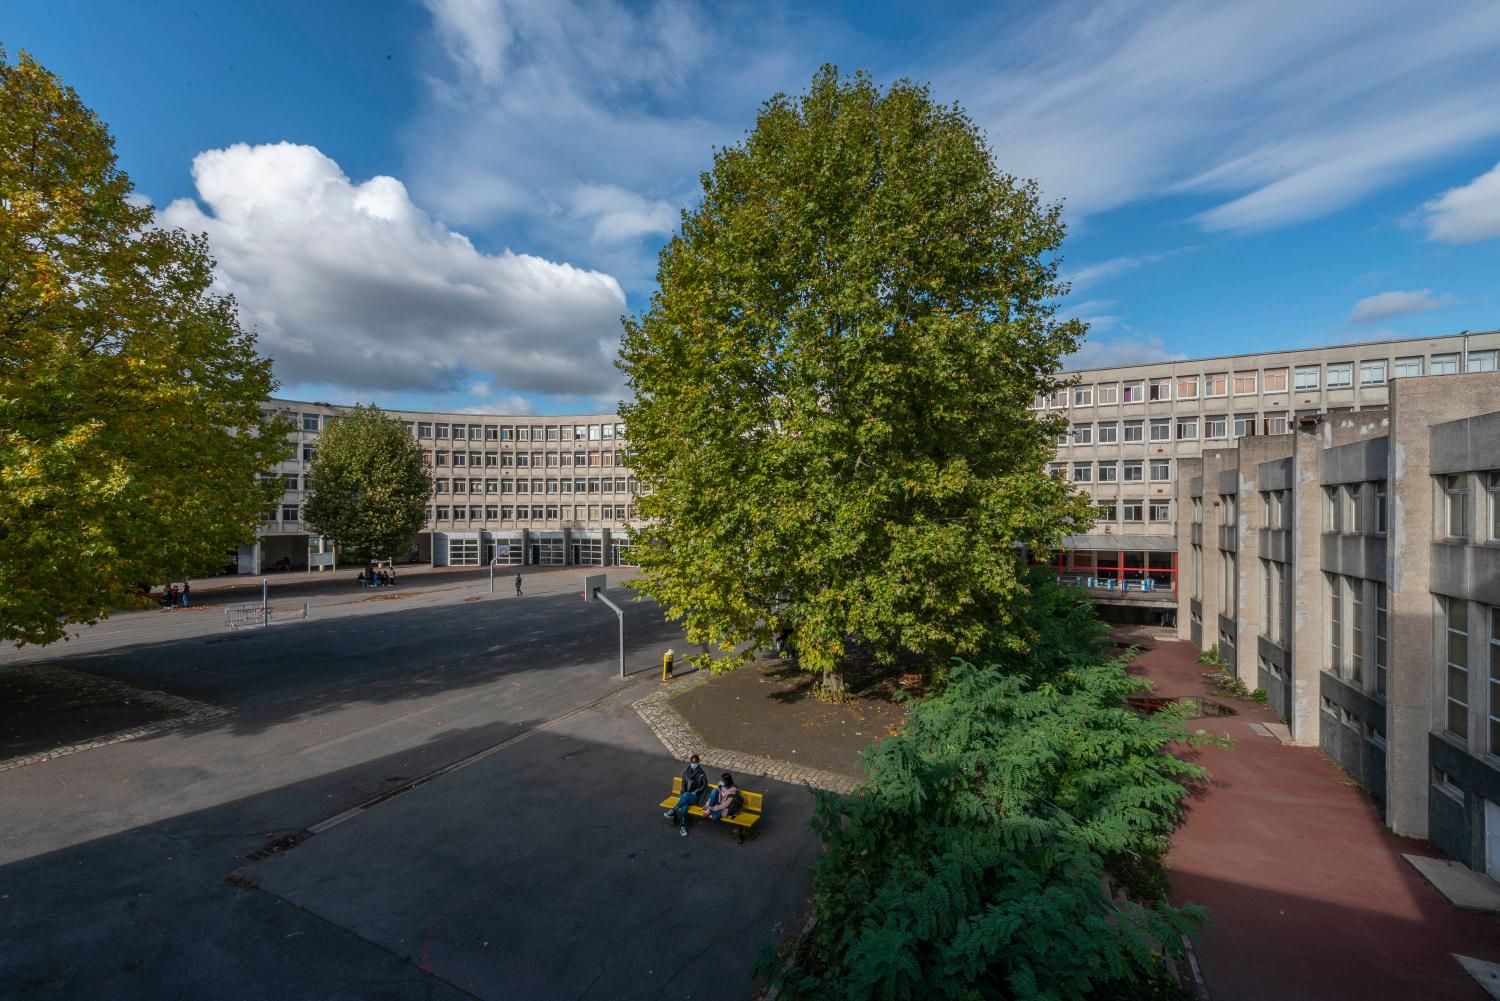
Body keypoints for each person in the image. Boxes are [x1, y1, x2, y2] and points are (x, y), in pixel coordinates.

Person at [663, 754, 708, 836]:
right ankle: (682, 827)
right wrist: (683, 794)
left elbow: (705, 785)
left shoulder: (702, 774)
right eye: (692, 762)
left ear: (698, 762)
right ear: (690, 762)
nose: (693, 764)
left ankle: (673, 810)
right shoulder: (686, 773)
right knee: (684, 804)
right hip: (685, 797)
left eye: (695, 762)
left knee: (686, 796)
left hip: (695, 797)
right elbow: (683, 786)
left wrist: (696, 791)